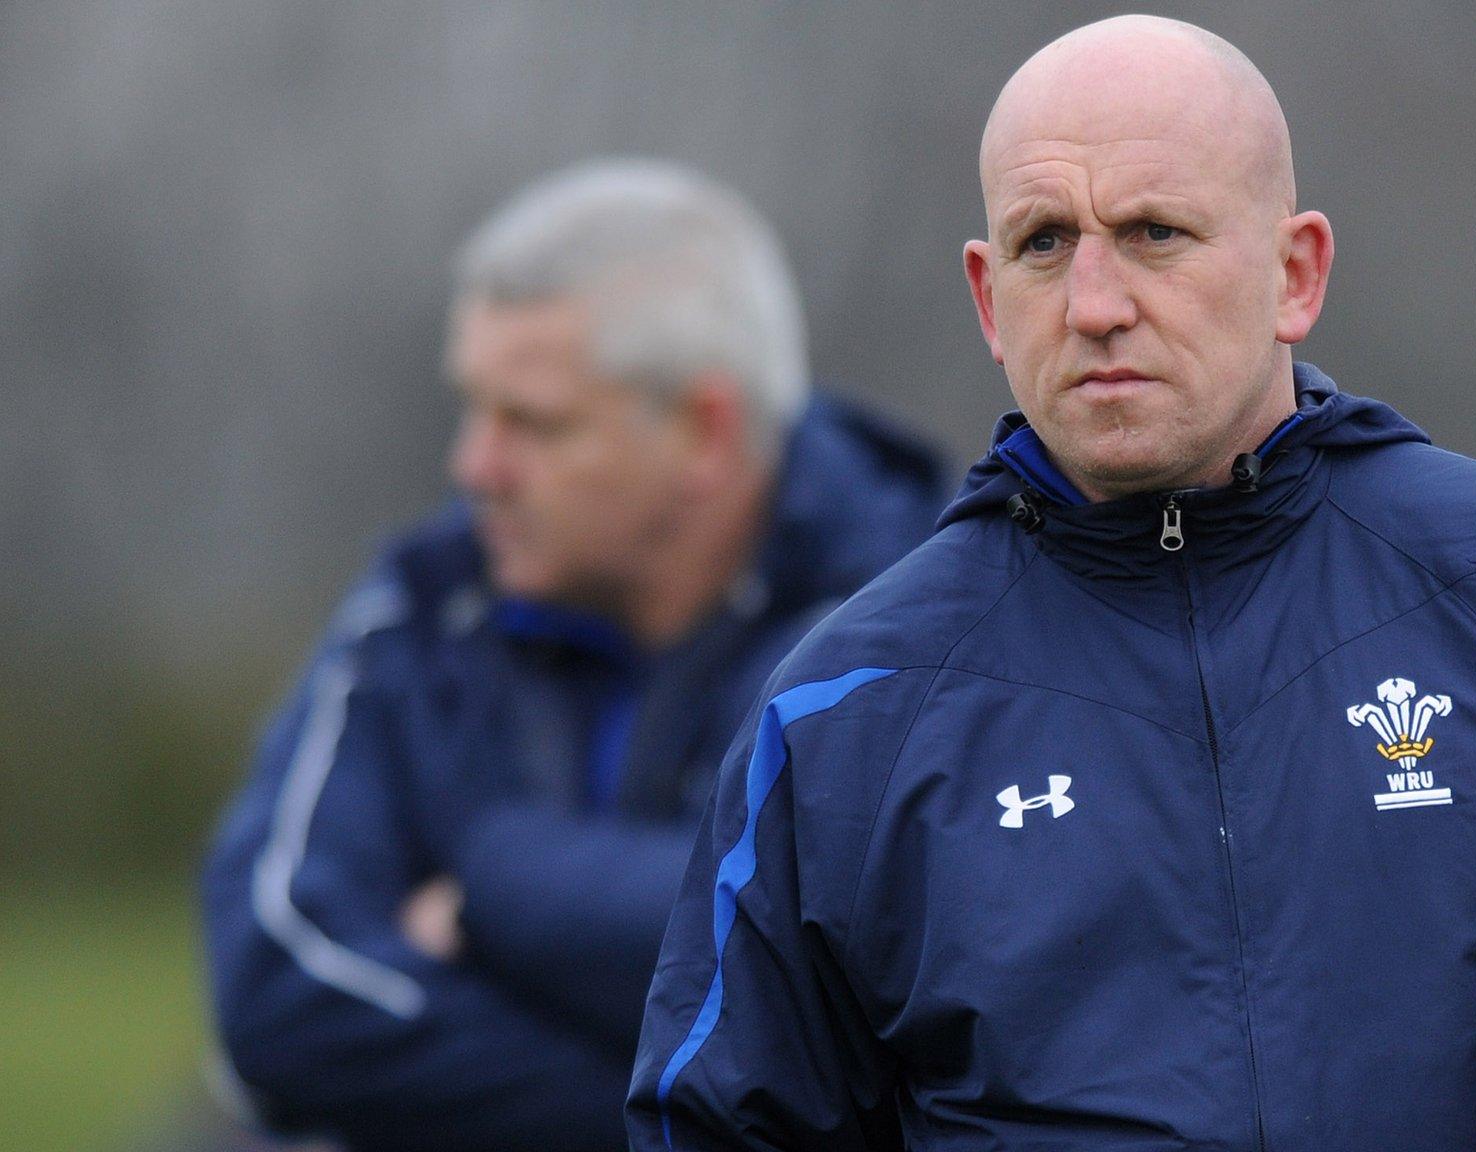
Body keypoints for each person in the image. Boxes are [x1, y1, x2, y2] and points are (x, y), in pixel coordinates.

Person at [627, 17, 1476, 1151]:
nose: (1098, 301)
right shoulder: (847, 710)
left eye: (1157, 234)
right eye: (1048, 245)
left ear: (1295, 275)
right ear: (991, 300)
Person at [200, 159, 949, 1152]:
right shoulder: (424, 606)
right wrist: (701, 1112)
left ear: (705, 433)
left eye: (533, 423)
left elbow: (840, 969)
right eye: (474, 406)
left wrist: (488, 884)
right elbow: (280, 995)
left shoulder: (919, 629)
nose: (475, 466)